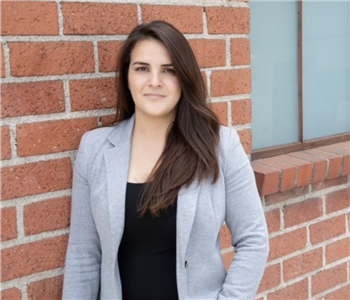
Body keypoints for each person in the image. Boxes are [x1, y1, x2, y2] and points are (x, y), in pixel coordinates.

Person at [62, 20, 269, 300]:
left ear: (184, 77)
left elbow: (253, 241)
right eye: (142, 68)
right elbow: (83, 257)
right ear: (127, 76)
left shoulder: (220, 146)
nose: (154, 81)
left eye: (168, 70)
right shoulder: (95, 149)